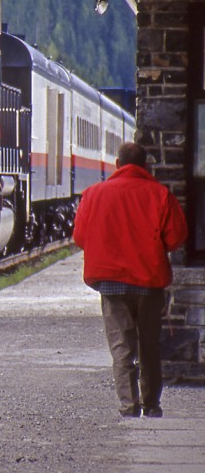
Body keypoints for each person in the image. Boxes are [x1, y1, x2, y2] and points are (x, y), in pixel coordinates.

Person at [73, 141, 188, 418]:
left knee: (121, 347)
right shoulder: (160, 195)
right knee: (149, 345)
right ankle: (151, 404)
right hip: (148, 283)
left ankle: (128, 406)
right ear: (145, 165)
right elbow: (175, 238)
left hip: (111, 284)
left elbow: (80, 237)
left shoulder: (94, 194)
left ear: (117, 165)